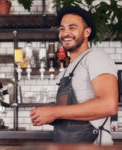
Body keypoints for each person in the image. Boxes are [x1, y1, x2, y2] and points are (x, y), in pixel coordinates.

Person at [30, 6, 118, 145]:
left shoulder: (95, 57)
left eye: (72, 27)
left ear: (87, 32)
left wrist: (55, 112)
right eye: (62, 28)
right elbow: (68, 114)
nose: (66, 33)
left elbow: (109, 104)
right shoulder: (67, 71)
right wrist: (47, 113)